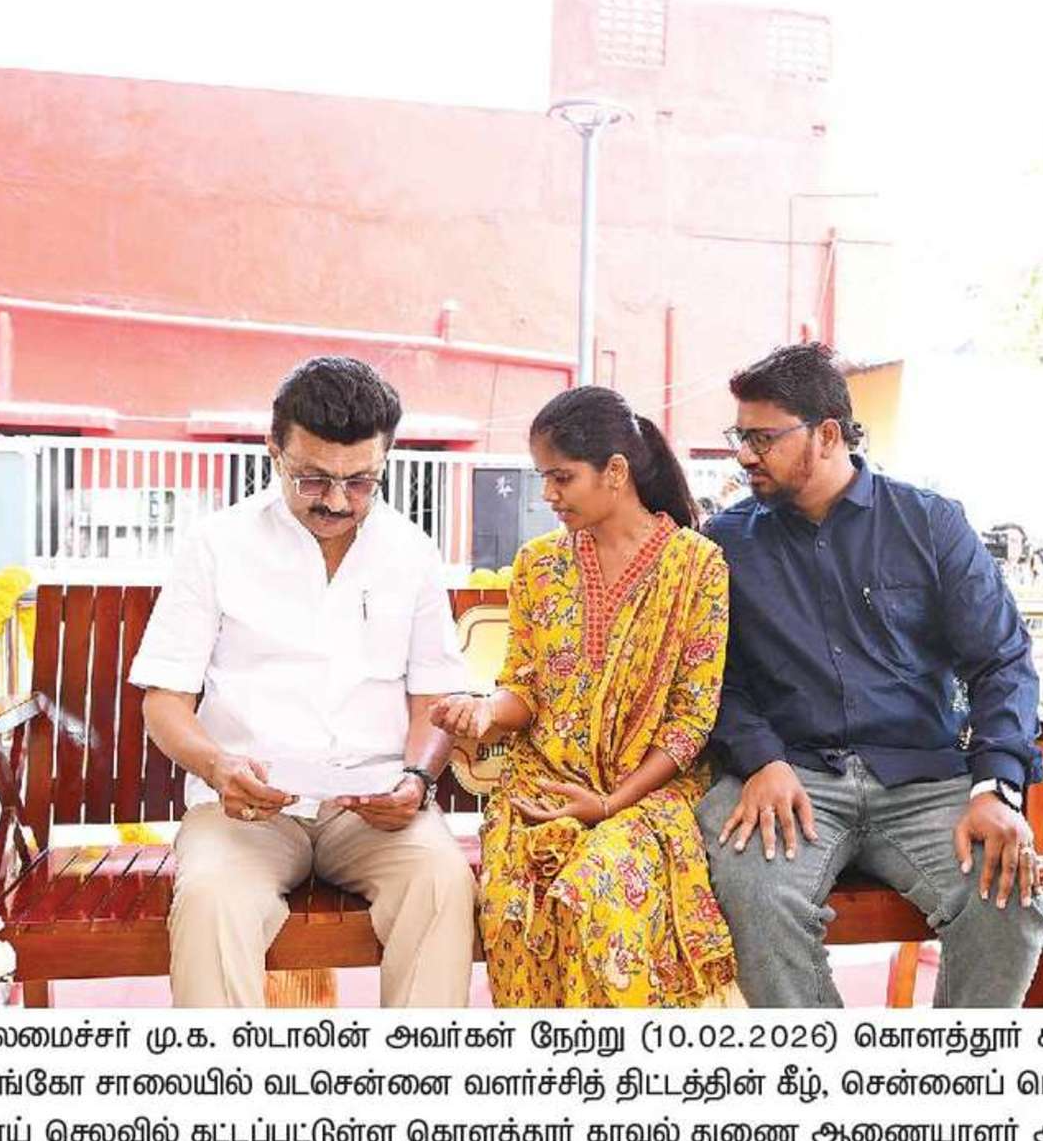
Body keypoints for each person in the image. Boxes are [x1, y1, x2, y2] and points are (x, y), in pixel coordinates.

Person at [699, 343, 1043, 1008]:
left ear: (828, 434)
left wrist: (995, 788)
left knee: (1009, 898)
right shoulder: (727, 544)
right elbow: (712, 679)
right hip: (791, 780)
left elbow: (1000, 659)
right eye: (739, 436)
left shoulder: (929, 525)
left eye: (763, 438)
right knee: (757, 896)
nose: (744, 455)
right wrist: (761, 759)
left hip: (923, 780)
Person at [130, 356, 476, 1007]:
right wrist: (219, 766)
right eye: (313, 478)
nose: (337, 501)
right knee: (209, 900)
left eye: (361, 481)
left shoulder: (411, 552)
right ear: (274, 449)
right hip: (247, 810)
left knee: (442, 882)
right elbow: (164, 701)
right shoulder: (216, 544)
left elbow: (432, 698)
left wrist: (417, 780)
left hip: (372, 812)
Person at [429, 386, 735, 1007]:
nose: (548, 494)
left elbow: (692, 719)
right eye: (543, 477)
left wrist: (608, 803)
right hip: (542, 790)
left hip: (645, 798)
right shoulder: (538, 565)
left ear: (615, 472)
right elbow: (525, 687)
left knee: (597, 895)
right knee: (514, 907)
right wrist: (486, 711)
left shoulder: (698, 567)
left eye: (561, 477)